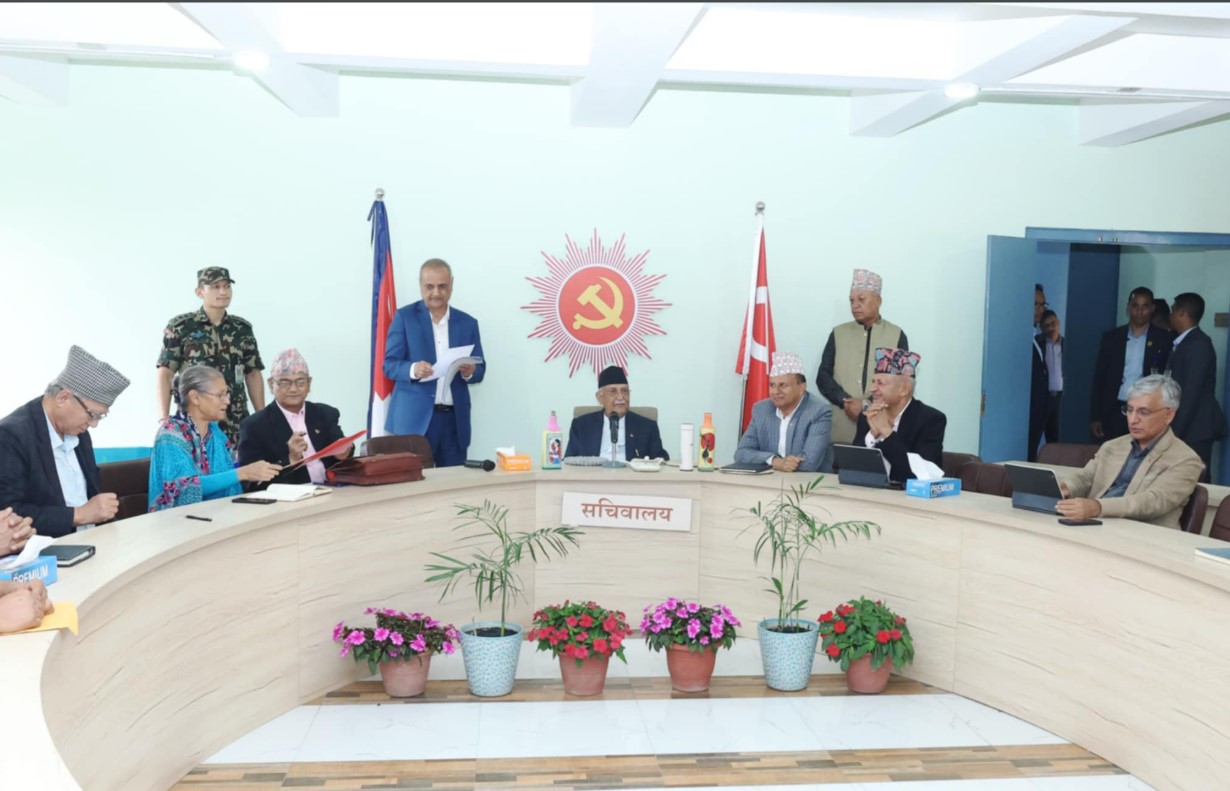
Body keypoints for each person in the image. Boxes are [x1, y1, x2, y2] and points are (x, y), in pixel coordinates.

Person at [0, 346, 130, 537]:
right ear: (63, 398)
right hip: (46, 550)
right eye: (92, 414)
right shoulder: (11, 436)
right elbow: (9, 513)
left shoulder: (79, 432)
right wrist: (78, 515)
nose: (94, 424)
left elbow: (91, 496)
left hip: (92, 541)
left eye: (100, 416)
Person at [1057, 375, 1203, 528]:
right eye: (1129, 410)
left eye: (1143, 412)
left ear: (1168, 415)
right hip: (1095, 526)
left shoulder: (1185, 459)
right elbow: (1086, 477)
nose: (1133, 420)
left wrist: (1097, 507)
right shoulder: (1113, 446)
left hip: (1142, 534)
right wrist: (1066, 487)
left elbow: (1152, 502)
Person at [383, 259, 485, 468]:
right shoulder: (404, 317)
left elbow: (480, 368)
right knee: (414, 484)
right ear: (420, 285)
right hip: (413, 421)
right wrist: (413, 369)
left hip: (453, 422)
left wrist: (469, 371)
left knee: (453, 483)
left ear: (452, 285)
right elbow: (389, 365)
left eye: (442, 286)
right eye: (429, 286)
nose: (436, 293)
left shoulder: (468, 323)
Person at [157, 267, 265, 447]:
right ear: (199, 292)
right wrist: (163, 418)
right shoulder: (181, 327)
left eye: (227, 286)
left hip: (235, 420)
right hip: (197, 419)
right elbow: (165, 373)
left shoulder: (242, 329)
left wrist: (262, 417)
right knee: (198, 463)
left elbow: (252, 373)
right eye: (215, 287)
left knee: (239, 463)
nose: (223, 292)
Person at [149, 365, 281, 511]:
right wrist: (243, 473)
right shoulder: (171, 435)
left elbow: (232, 471)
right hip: (176, 521)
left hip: (219, 514)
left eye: (227, 394)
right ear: (195, 397)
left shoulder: (215, 432)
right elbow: (184, 489)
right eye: (220, 395)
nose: (227, 401)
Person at [237, 349, 354, 489]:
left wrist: (344, 452)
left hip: (333, 490)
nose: (293, 389)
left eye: (300, 382)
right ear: (271, 384)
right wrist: (291, 459)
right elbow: (250, 484)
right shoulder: (254, 426)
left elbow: (342, 449)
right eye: (285, 382)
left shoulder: (325, 413)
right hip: (289, 498)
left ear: (309, 383)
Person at [816, 269, 908, 445]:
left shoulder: (895, 335)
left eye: (861, 299)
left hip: (881, 428)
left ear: (878, 301)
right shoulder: (838, 333)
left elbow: (902, 383)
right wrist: (845, 402)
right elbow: (823, 376)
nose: (855, 305)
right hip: (841, 428)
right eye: (851, 301)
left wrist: (866, 404)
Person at [1090, 287, 1173, 443]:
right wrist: (1096, 416)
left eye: (1145, 306)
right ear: (1128, 307)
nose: (1139, 311)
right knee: (1113, 453)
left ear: (1152, 308)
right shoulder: (1112, 337)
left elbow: (1167, 381)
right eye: (1135, 305)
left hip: (1147, 410)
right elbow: (1099, 378)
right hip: (1114, 409)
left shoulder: (1164, 339)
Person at [854, 347, 946, 482]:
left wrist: (887, 432)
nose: (872, 389)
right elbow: (851, 467)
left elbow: (920, 475)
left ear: (904, 389)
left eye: (880, 383)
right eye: (873, 382)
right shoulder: (867, 416)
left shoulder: (930, 420)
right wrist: (872, 436)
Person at [1166, 292, 1229, 480]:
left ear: (1181, 313)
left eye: (1172, 310)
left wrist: (1174, 433)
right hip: (1189, 425)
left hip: (1195, 428)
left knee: (1196, 480)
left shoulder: (1198, 344)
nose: (1170, 314)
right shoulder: (1185, 342)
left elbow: (1191, 392)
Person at [736, 351, 833, 472]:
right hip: (770, 481)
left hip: (808, 482)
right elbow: (741, 453)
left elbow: (809, 463)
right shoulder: (761, 409)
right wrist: (775, 461)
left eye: (783, 385)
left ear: (801, 387)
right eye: (772, 385)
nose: (776, 391)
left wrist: (776, 463)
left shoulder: (819, 411)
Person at [565, 366, 668, 460]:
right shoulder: (581, 425)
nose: (620, 397)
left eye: (625, 391)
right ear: (600, 397)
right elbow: (568, 462)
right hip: (593, 474)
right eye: (613, 391)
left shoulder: (647, 427)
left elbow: (661, 459)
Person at [1028, 284, 1049, 462]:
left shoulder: (1039, 336)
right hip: (1026, 412)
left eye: (1043, 305)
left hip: (1038, 412)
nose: (1040, 309)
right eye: (1035, 304)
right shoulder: (1018, 336)